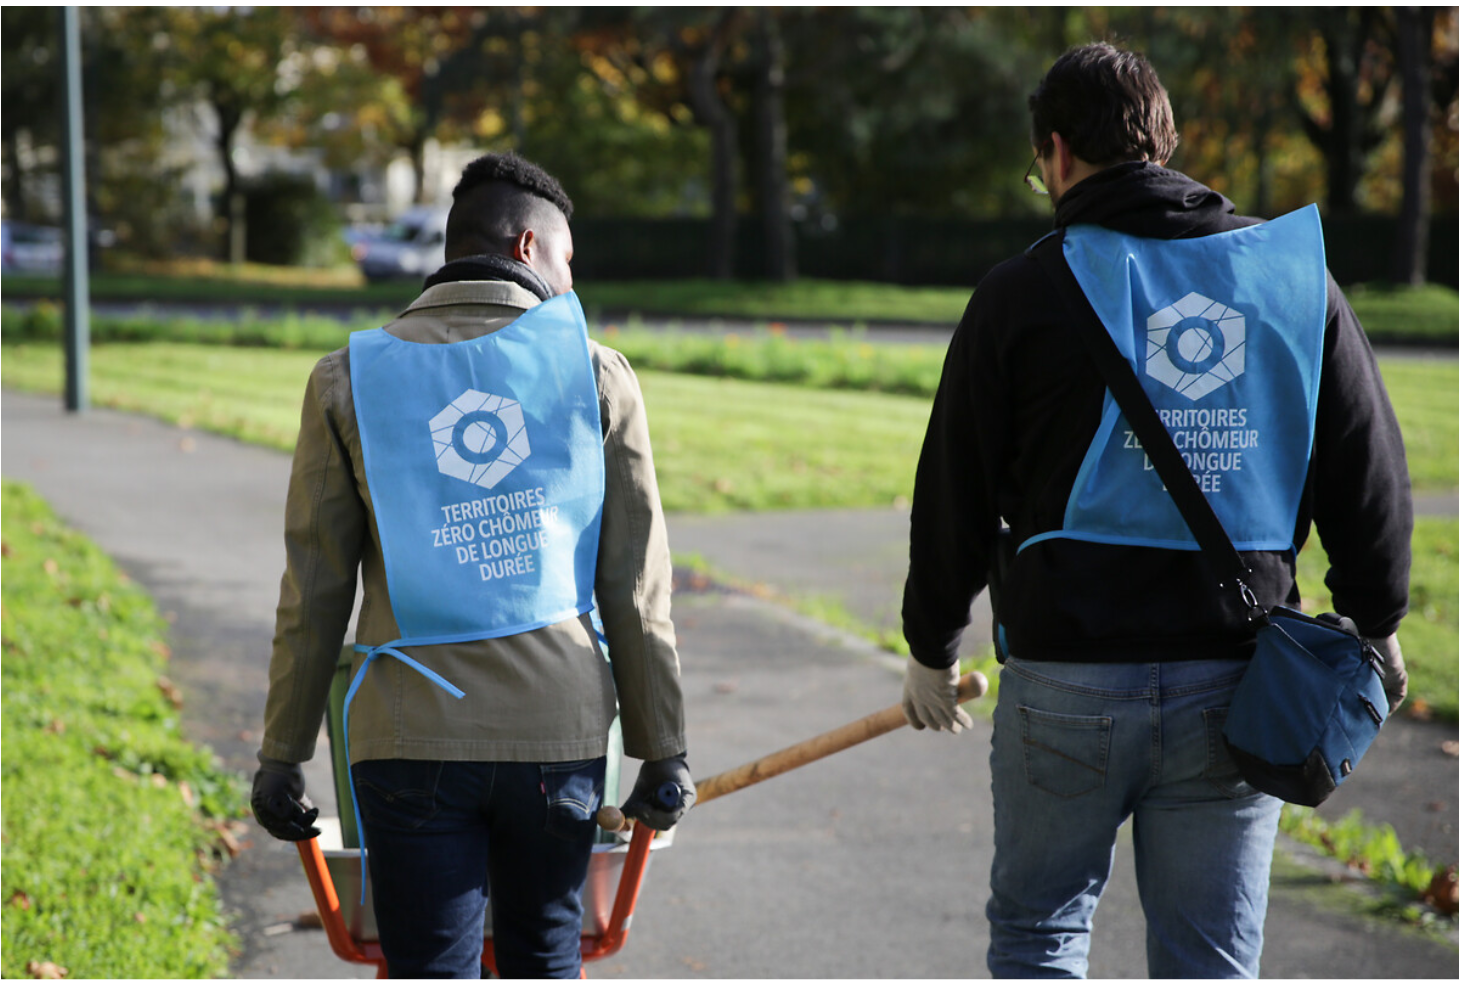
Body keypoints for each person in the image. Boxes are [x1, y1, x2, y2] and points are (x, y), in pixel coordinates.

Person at [899, 43, 1410, 980]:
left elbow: (954, 491)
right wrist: (1376, 621)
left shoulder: (1019, 292)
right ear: (1166, 143)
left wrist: (933, 644)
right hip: (1238, 679)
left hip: (1065, 679)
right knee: (1209, 960)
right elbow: (1365, 465)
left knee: (1039, 937)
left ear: (1056, 153)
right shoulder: (1289, 278)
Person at [250, 152, 693, 980]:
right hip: (554, 737)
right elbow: (633, 585)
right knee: (544, 955)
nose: (572, 280)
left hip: (407, 737)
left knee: (429, 969)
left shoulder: (348, 380)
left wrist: (283, 752)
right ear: (530, 247)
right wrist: (661, 746)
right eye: (568, 259)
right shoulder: (594, 372)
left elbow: (313, 588)